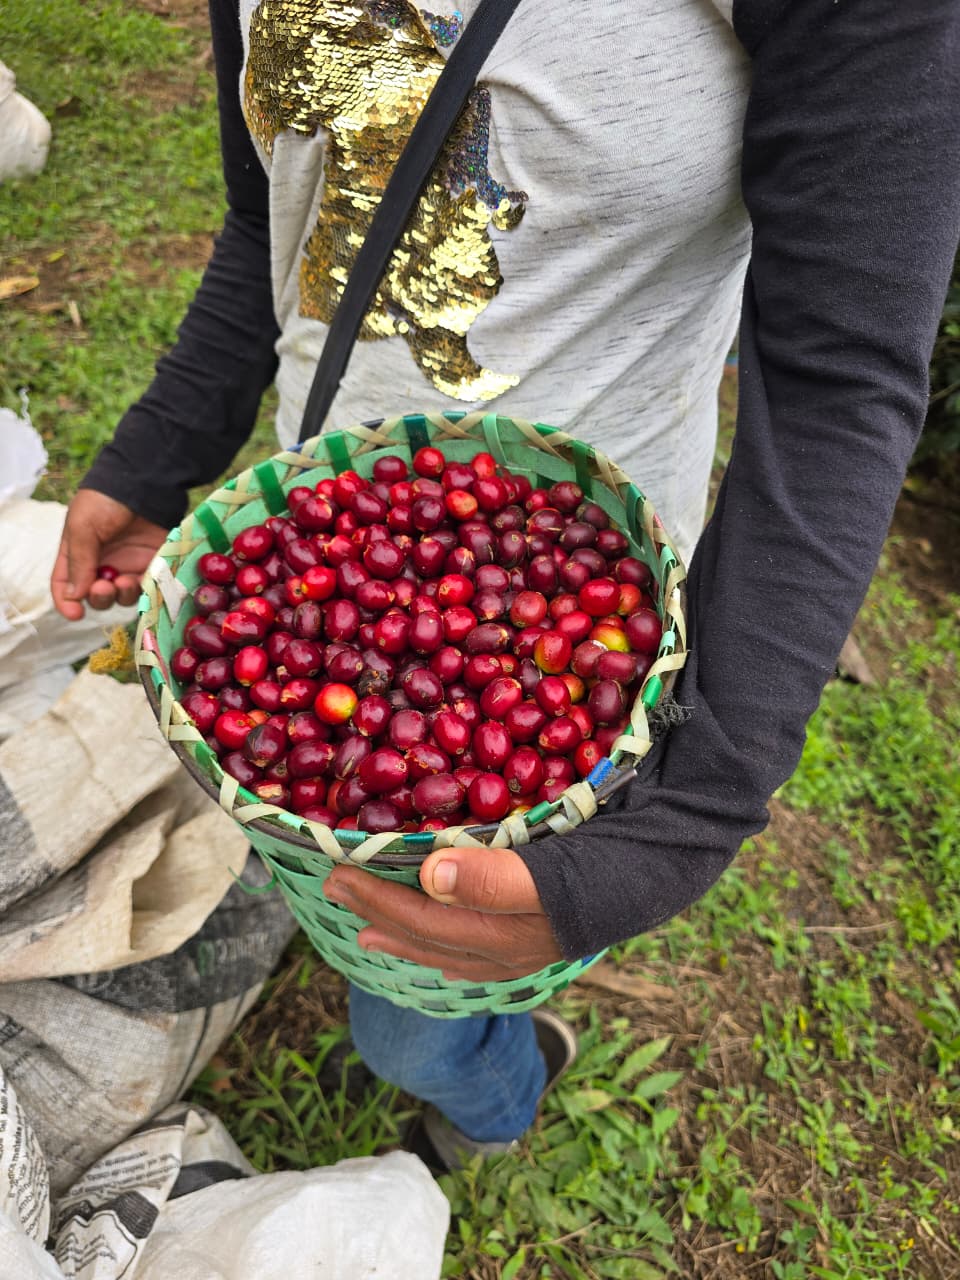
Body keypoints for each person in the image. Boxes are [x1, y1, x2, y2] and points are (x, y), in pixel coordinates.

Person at [51, 0, 960, 1169]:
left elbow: (840, 378)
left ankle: (493, 1091)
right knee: (353, 869)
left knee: (417, 1013)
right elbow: (281, 209)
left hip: (592, 617)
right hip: (333, 533)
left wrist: (690, 814)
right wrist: (163, 451)